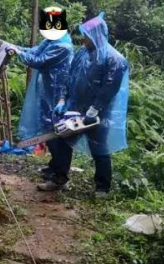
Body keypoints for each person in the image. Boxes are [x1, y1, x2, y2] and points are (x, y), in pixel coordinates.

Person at [39, 13, 130, 195]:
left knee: (99, 149)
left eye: (87, 35)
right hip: (74, 110)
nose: (84, 39)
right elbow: (69, 77)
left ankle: (102, 188)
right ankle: (59, 179)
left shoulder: (114, 59)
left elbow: (109, 88)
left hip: (98, 115)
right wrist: (63, 99)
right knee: (62, 141)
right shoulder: (82, 53)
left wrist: (95, 109)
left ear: (96, 34)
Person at [7, 22, 74, 182]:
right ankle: (54, 166)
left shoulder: (62, 46)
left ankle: (60, 174)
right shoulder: (51, 42)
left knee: (57, 132)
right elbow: (35, 51)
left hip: (58, 95)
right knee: (48, 129)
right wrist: (17, 48)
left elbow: (39, 61)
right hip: (48, 93)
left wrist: (18, 53)